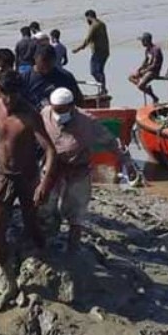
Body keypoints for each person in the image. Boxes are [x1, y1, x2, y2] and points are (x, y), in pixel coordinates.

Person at [0, 70, 56, 306]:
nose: (9, 100)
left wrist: (44, 182)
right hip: (2, 174)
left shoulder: (30, 115)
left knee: (32, 225)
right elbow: (2, 135)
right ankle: (11, 283)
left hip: (27, 178)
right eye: (6, 95)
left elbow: (50, 150)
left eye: (14, 95)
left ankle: (44, 254)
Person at [40, 88, 133, 254]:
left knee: (76, 212)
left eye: (63, 110)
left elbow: (110, 142)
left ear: (71, 106)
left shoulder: (88, 122)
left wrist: (126, 161)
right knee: (46, 207)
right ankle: (48, 240)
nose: (59, 114)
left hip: (78, 170)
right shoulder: (45, 115)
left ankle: (73, 249)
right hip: (52, 169)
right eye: (56, 110)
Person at [23, 44, 84, 109]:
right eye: (43, 62)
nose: (46, 67)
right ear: (35, 58)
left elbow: (79, 101)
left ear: (55, 59)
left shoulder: (66, 77)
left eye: (49, 64)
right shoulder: (25, 79)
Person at [72, 10, 110, 94]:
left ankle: (103, 88)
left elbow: (87, 40)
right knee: (99, 71)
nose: (86, 21)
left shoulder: (94, 26)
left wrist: (77, 49)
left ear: (89, 17)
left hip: (98, 52)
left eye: (87, 18)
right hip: (105, 51)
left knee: (94, 71)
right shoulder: (102, 24)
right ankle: (102, 88)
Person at [128, 32, 163, 104]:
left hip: (154, 71)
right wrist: (139, 69)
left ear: (147, 41)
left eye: (142, 41)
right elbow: (145, 62)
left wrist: (144, 71)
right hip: (147, 70)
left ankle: (154, 97)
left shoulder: (156, 49)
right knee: (131, 77)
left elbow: (155, 64)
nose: (142, 43)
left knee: (140, 86)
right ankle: (146, 88)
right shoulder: (147, 50)